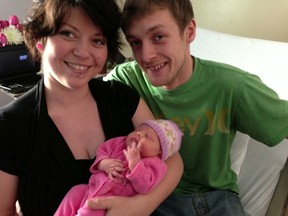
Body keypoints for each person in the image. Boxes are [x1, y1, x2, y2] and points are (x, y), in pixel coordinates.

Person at [102, 0, 288, 215]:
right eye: (135, 43)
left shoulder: (232, 86)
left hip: (218, 198)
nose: (146, 55)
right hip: (155, 195)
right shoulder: (126, 81)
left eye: (158, 37)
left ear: (189, 31)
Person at [0, 0, 183, 216]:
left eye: (97, 40)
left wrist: (139, 207)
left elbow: (172, 160)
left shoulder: (121, 98)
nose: (83, 52)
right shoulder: (10, 126)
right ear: (40, 39)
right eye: (68, 34)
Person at [55, 119, 183, 216]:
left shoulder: (155, 165)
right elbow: (102, 151)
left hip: (110, 202)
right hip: (92, 189)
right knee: (76, 191)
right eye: (138, 129)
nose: (139, 134)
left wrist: (135, 163)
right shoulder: (119, 143)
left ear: (158, 152)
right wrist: (103, 163)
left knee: (91, 210)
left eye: (148, 137)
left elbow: (144, 187)